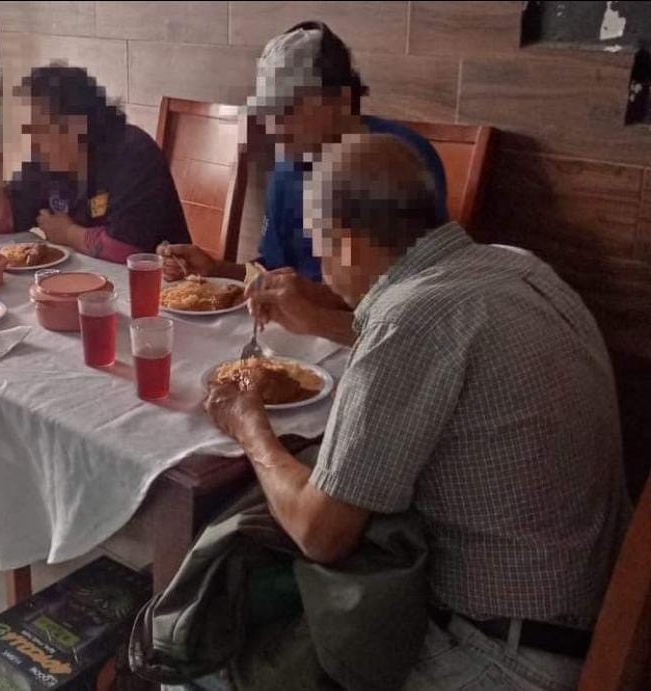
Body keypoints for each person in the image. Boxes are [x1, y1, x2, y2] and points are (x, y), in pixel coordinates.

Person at [205, 134, 630, 690]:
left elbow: (319, 532)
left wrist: (249, 427)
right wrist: (319, 322)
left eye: (320, 246)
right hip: (595, 621)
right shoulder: (516, 265)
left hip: (503, 658)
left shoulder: (408, 319)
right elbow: (441, 348)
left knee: (211, 659)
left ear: (348, 242)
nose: (321, 270)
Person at [160, 22, 447, 345]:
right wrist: (217, 270)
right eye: (268, 113)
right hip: (296, 336)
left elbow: (415, 316)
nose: (275, 127)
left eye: (288, 110)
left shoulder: (399, 161)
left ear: (341, 100)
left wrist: (314, 305)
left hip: (372, 342)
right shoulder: (287, 166)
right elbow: (272, 271)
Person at [0, 64, 189, 261]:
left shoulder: (131, 153)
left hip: (161, 282)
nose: (32, 142)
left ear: (76, 125)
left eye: (40, 129)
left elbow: (127, 248)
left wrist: (68, 234)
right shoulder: (47, 158)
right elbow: (1, 223)